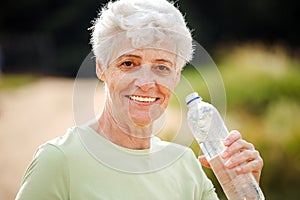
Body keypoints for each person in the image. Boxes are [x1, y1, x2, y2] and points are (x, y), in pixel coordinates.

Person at [15, 0, 263, 199]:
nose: (146, 82)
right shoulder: (59, 160)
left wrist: (247, 192)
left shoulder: (186, 166)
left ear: (176, 76)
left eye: (162, 67)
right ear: (102, 69)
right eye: (129, 63)